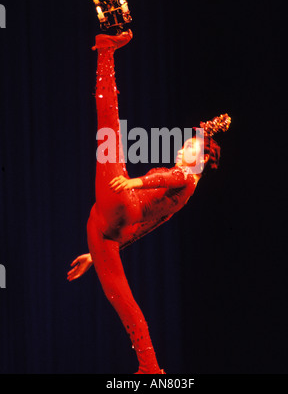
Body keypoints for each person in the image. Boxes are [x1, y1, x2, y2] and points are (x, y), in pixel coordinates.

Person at [67, 30, 225, 374]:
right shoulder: (184, 189)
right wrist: (95, 257)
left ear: (203, 161)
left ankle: (106, 48)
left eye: (191, 147)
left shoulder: (187, 177)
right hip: (108, 231)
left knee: (108, 127)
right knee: (125, 303)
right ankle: (150, 369)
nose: (184, 147)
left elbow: (163, 179)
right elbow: (146, 228)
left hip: (119, 202)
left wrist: (132, 181)